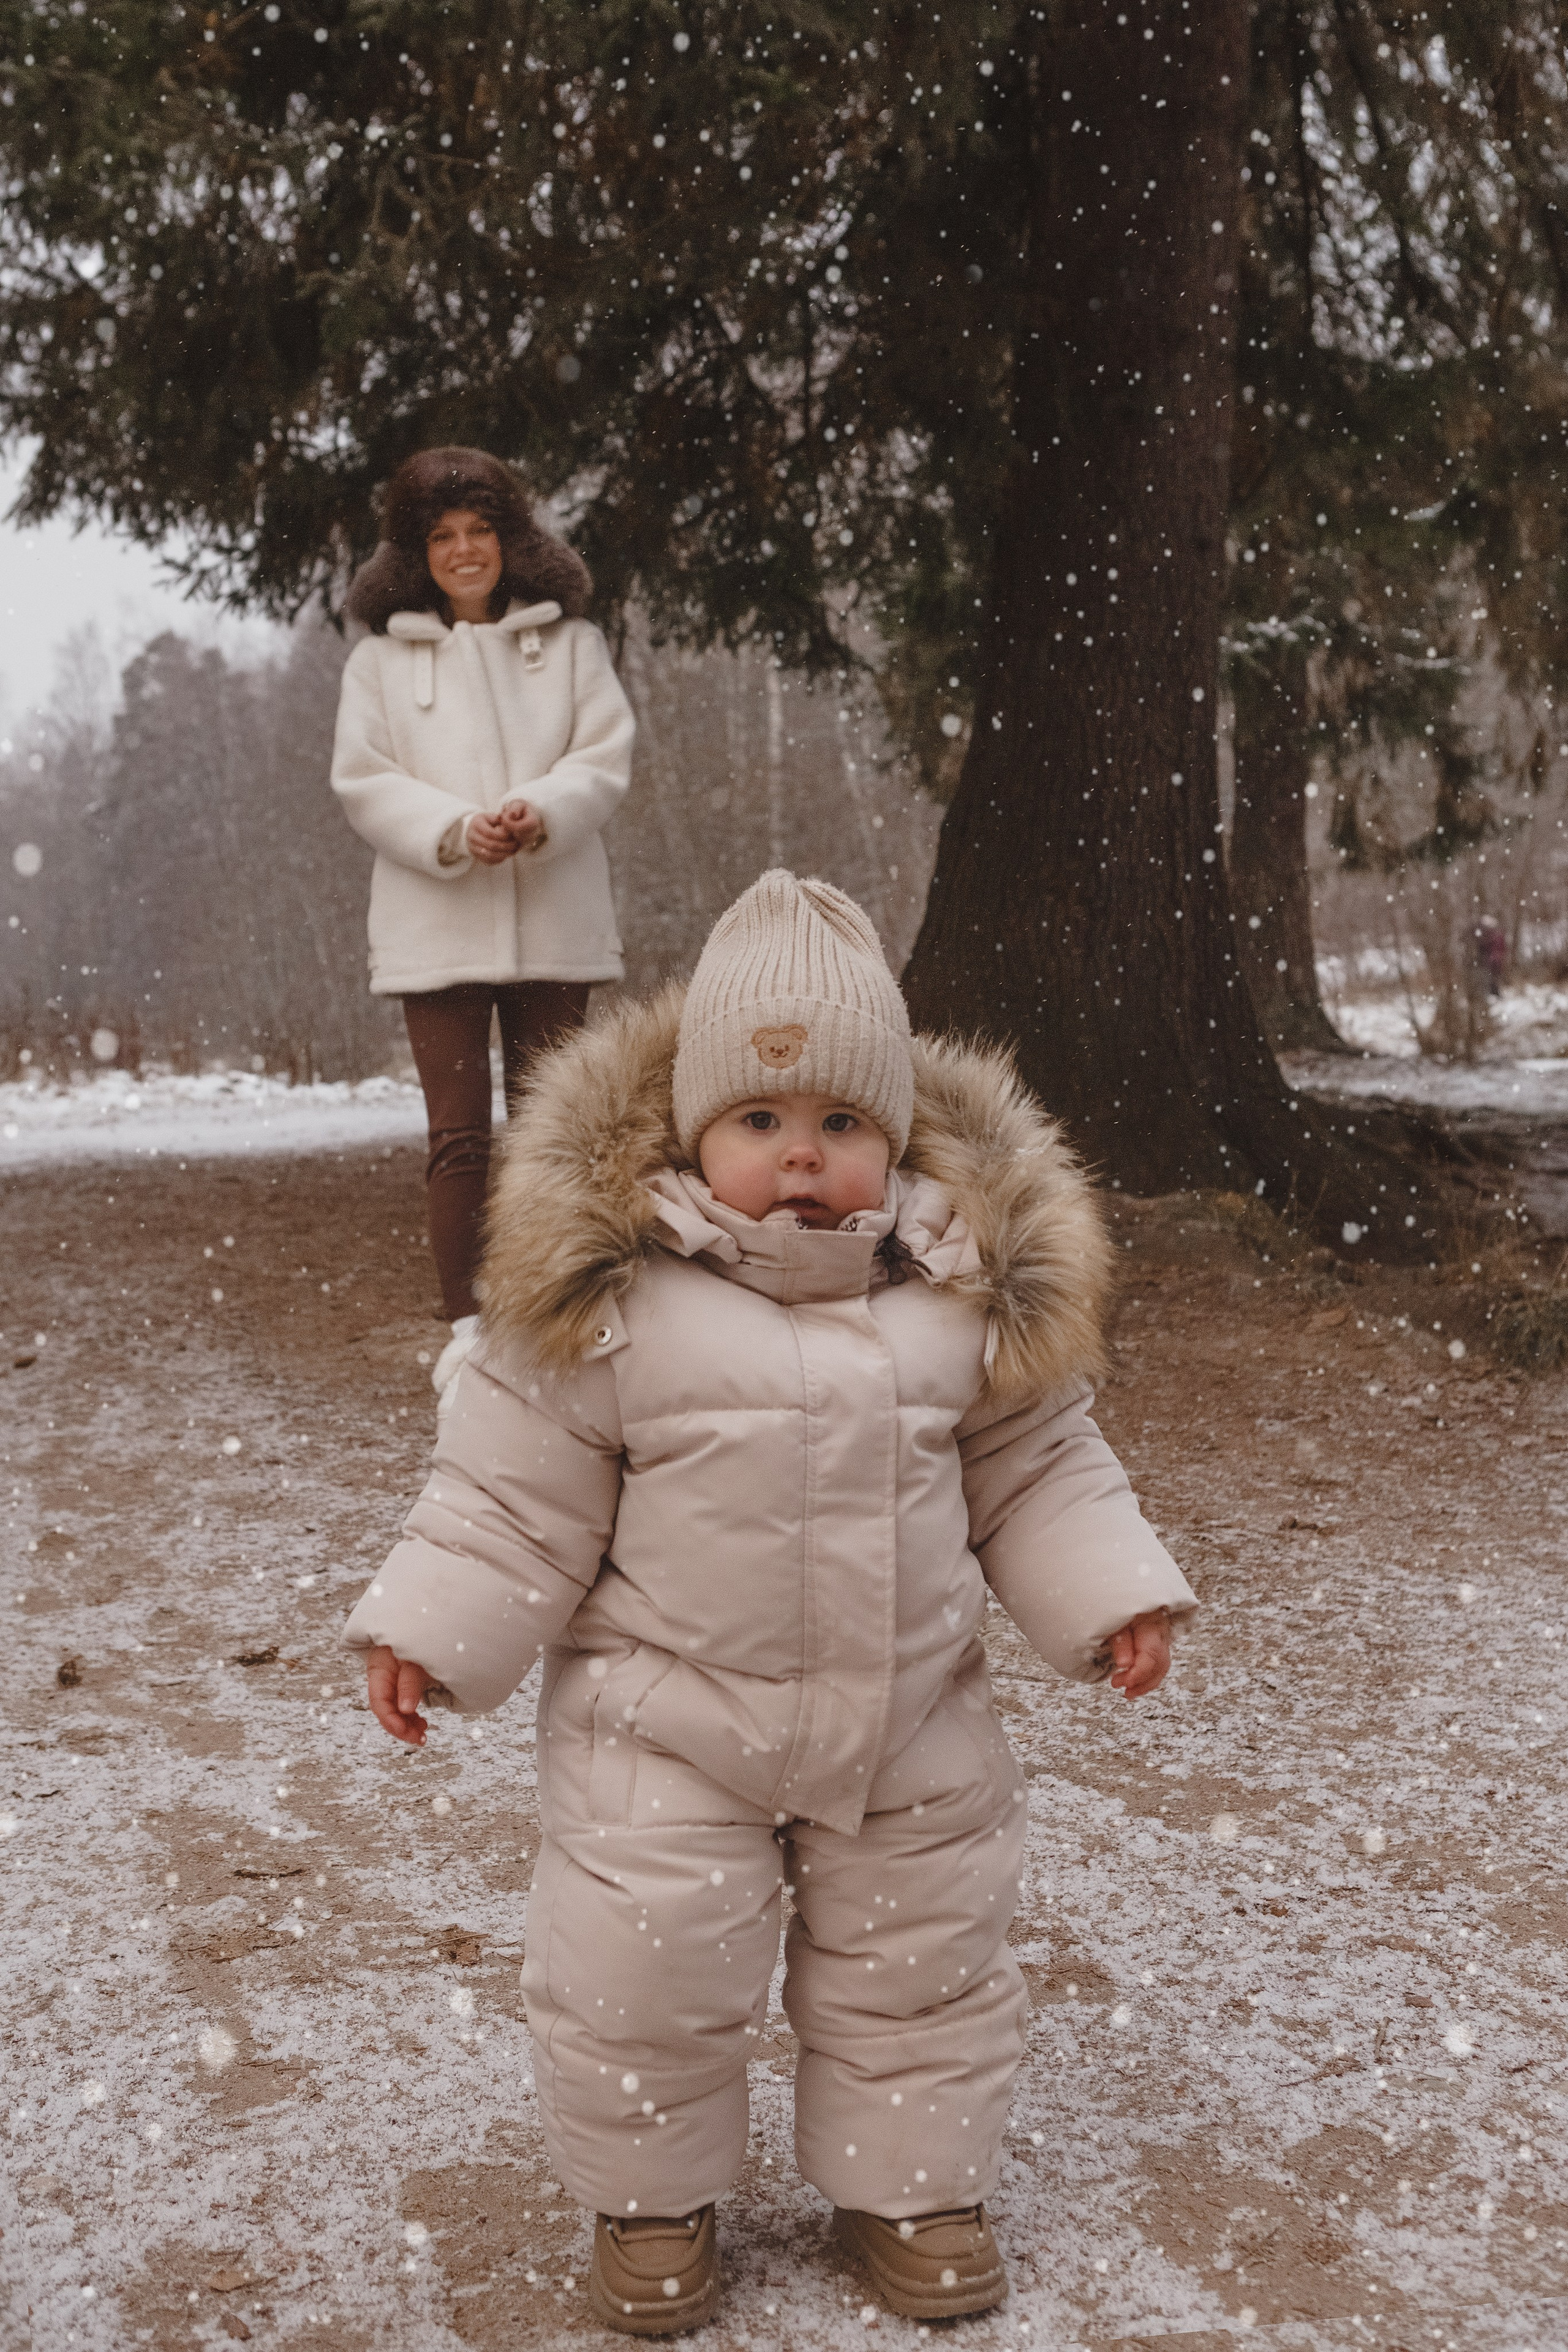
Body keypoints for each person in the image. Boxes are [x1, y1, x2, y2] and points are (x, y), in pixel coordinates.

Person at [341, 870, 1197, 2333]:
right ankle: (650, 2199)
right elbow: (509, 1495)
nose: (799, 1159)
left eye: (839, 1125)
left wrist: (1109, 1592)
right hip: (663, 1723)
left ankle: (909, 2185)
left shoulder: (953, 1293)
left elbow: (1036, 1464)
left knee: (919, 1960)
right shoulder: (612, 1304)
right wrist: (429, 1623)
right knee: (642, 1966)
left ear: (895, 1137)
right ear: (689, 1132)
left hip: (910, 1717)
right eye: (758, 1123)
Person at [332, 446, 634, 1407]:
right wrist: (458, 832)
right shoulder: (378, 662)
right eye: (443, 536)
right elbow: (364, 782)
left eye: (481, 532)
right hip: (436, 928)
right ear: (418, 554)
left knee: (560, 1131)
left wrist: (538, 813)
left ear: (511, 542)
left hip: (557, 916)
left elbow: (604, 756)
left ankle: (567, 1304)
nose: (466, 552)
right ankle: (469, 1333)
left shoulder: (574, 645)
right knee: (458, 1139)